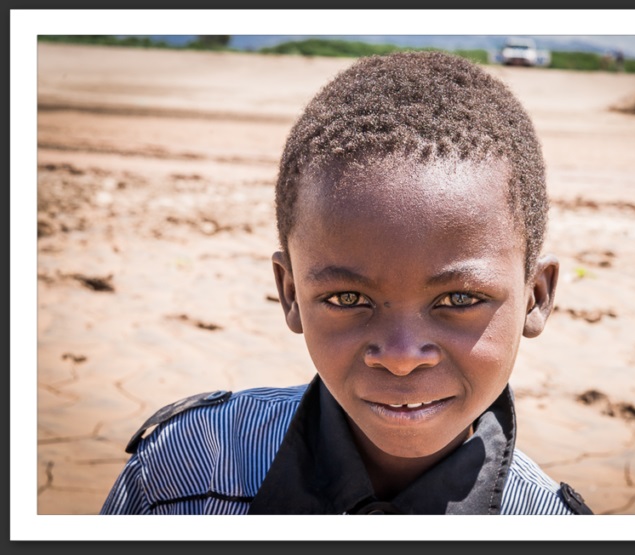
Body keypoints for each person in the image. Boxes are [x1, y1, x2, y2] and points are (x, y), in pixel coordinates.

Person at [100, 50, 593, 516]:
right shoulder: (183, 476)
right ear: (290, 293)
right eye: (348, 298)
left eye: (459, 298)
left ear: (537, 296)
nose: (401, 357)